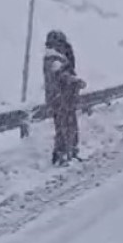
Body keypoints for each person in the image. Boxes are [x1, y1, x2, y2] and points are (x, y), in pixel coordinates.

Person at [43, 30, 86, 166]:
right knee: (64, 126)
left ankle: (70, 151)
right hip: (60, 98)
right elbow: (60, 75)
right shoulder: (53, 58)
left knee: (68, 125)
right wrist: (74, 81)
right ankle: (62, 154)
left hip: (64, 98)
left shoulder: (57, 56)